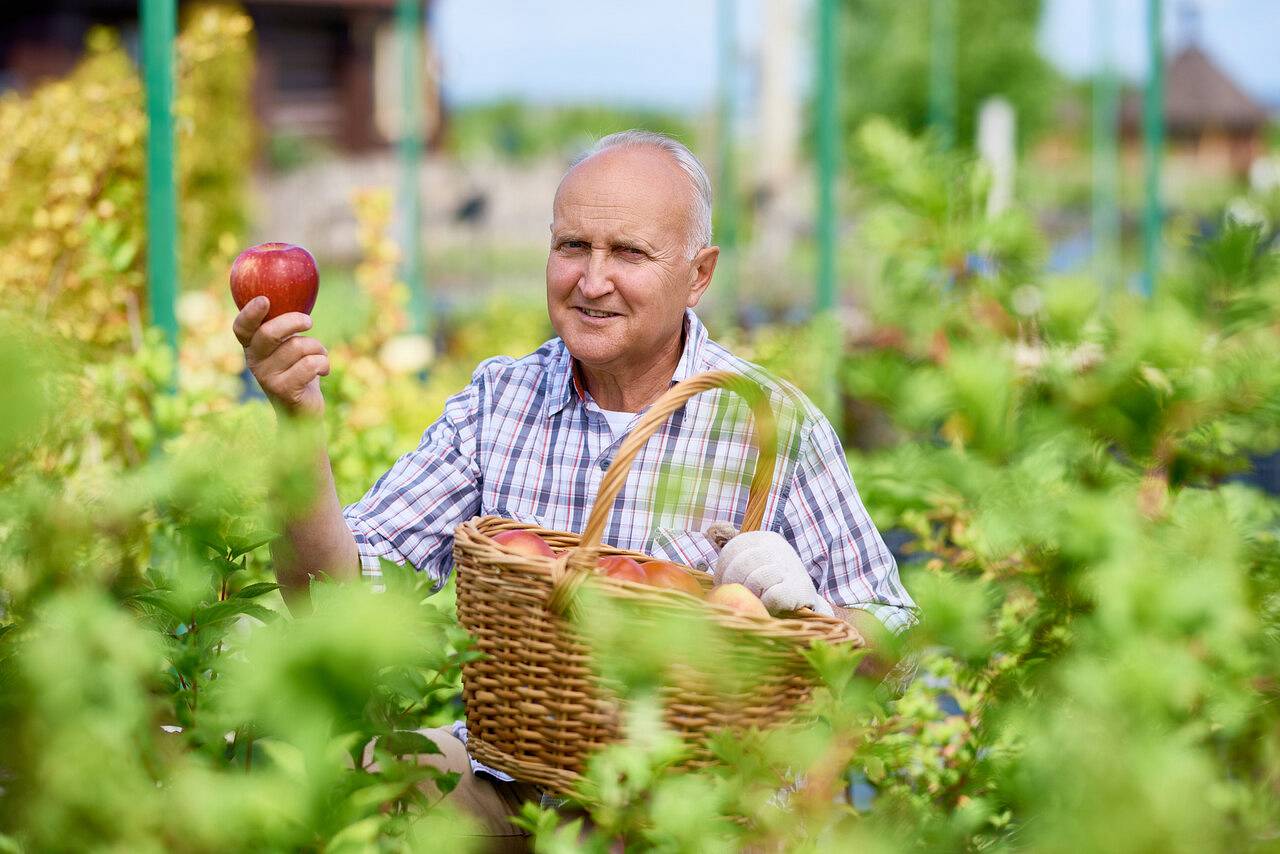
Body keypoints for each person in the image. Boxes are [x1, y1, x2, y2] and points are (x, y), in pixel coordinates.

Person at [232, 129, 917, 849]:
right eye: (572, 247)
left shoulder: (769, 425)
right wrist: (297, 422)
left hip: (705, 807)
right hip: (516, 779)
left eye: (629, 253)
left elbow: (896, 645)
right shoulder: (501, 401)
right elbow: (338, 593)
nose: (591, 281)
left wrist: (809, 615)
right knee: (362, 775)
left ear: (699, 274)